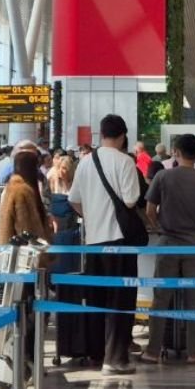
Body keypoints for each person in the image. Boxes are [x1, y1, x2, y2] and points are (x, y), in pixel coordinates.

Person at [68, 114, 141, 375]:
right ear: (122, 136)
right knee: (120, 300)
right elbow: (131, 200)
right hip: (118, 241)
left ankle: (96, 354)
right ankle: (116, 359)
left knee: (96, 299)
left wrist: (91, 216)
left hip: (93, 242)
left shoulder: (85, 162)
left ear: (101, 134)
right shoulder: (125, 161)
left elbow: (74, 199)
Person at [141, 134, 195, 365]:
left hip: (168, 243)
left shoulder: (162, 176)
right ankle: (194, 352)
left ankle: (152, 351)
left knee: (161, 298)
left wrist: (160, 227)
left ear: (176, 152)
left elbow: (150, 210)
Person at [0, 150, 51, 244]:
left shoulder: (11, 187)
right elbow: (26, 228)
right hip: (24, 250)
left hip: (9, 247)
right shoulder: (22, 191)